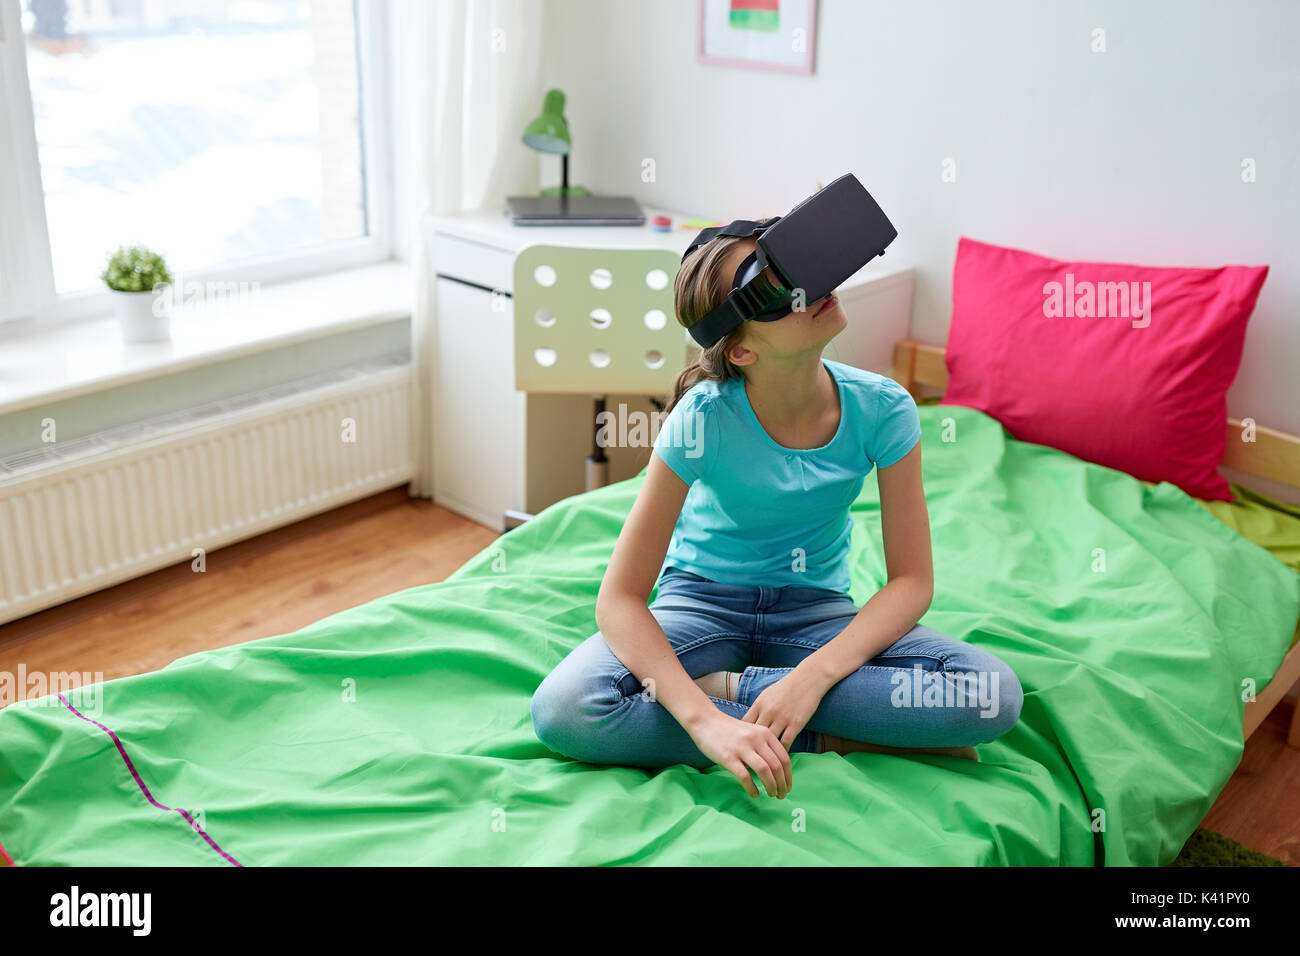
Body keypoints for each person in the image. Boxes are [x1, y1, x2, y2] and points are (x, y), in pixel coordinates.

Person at [531, 220, 1023, 799]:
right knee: (568, 707)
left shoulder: (885, 409)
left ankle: (751, 695)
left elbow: (911, 582)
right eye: (769, 285)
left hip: (816, 614)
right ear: (740, 348)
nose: (806, 288)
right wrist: (702, 719)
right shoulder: (703, 418)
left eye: (796, 264)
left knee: (988, 693)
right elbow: (619, 598)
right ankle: (823, 736)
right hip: (701, 603)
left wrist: (808, 681)